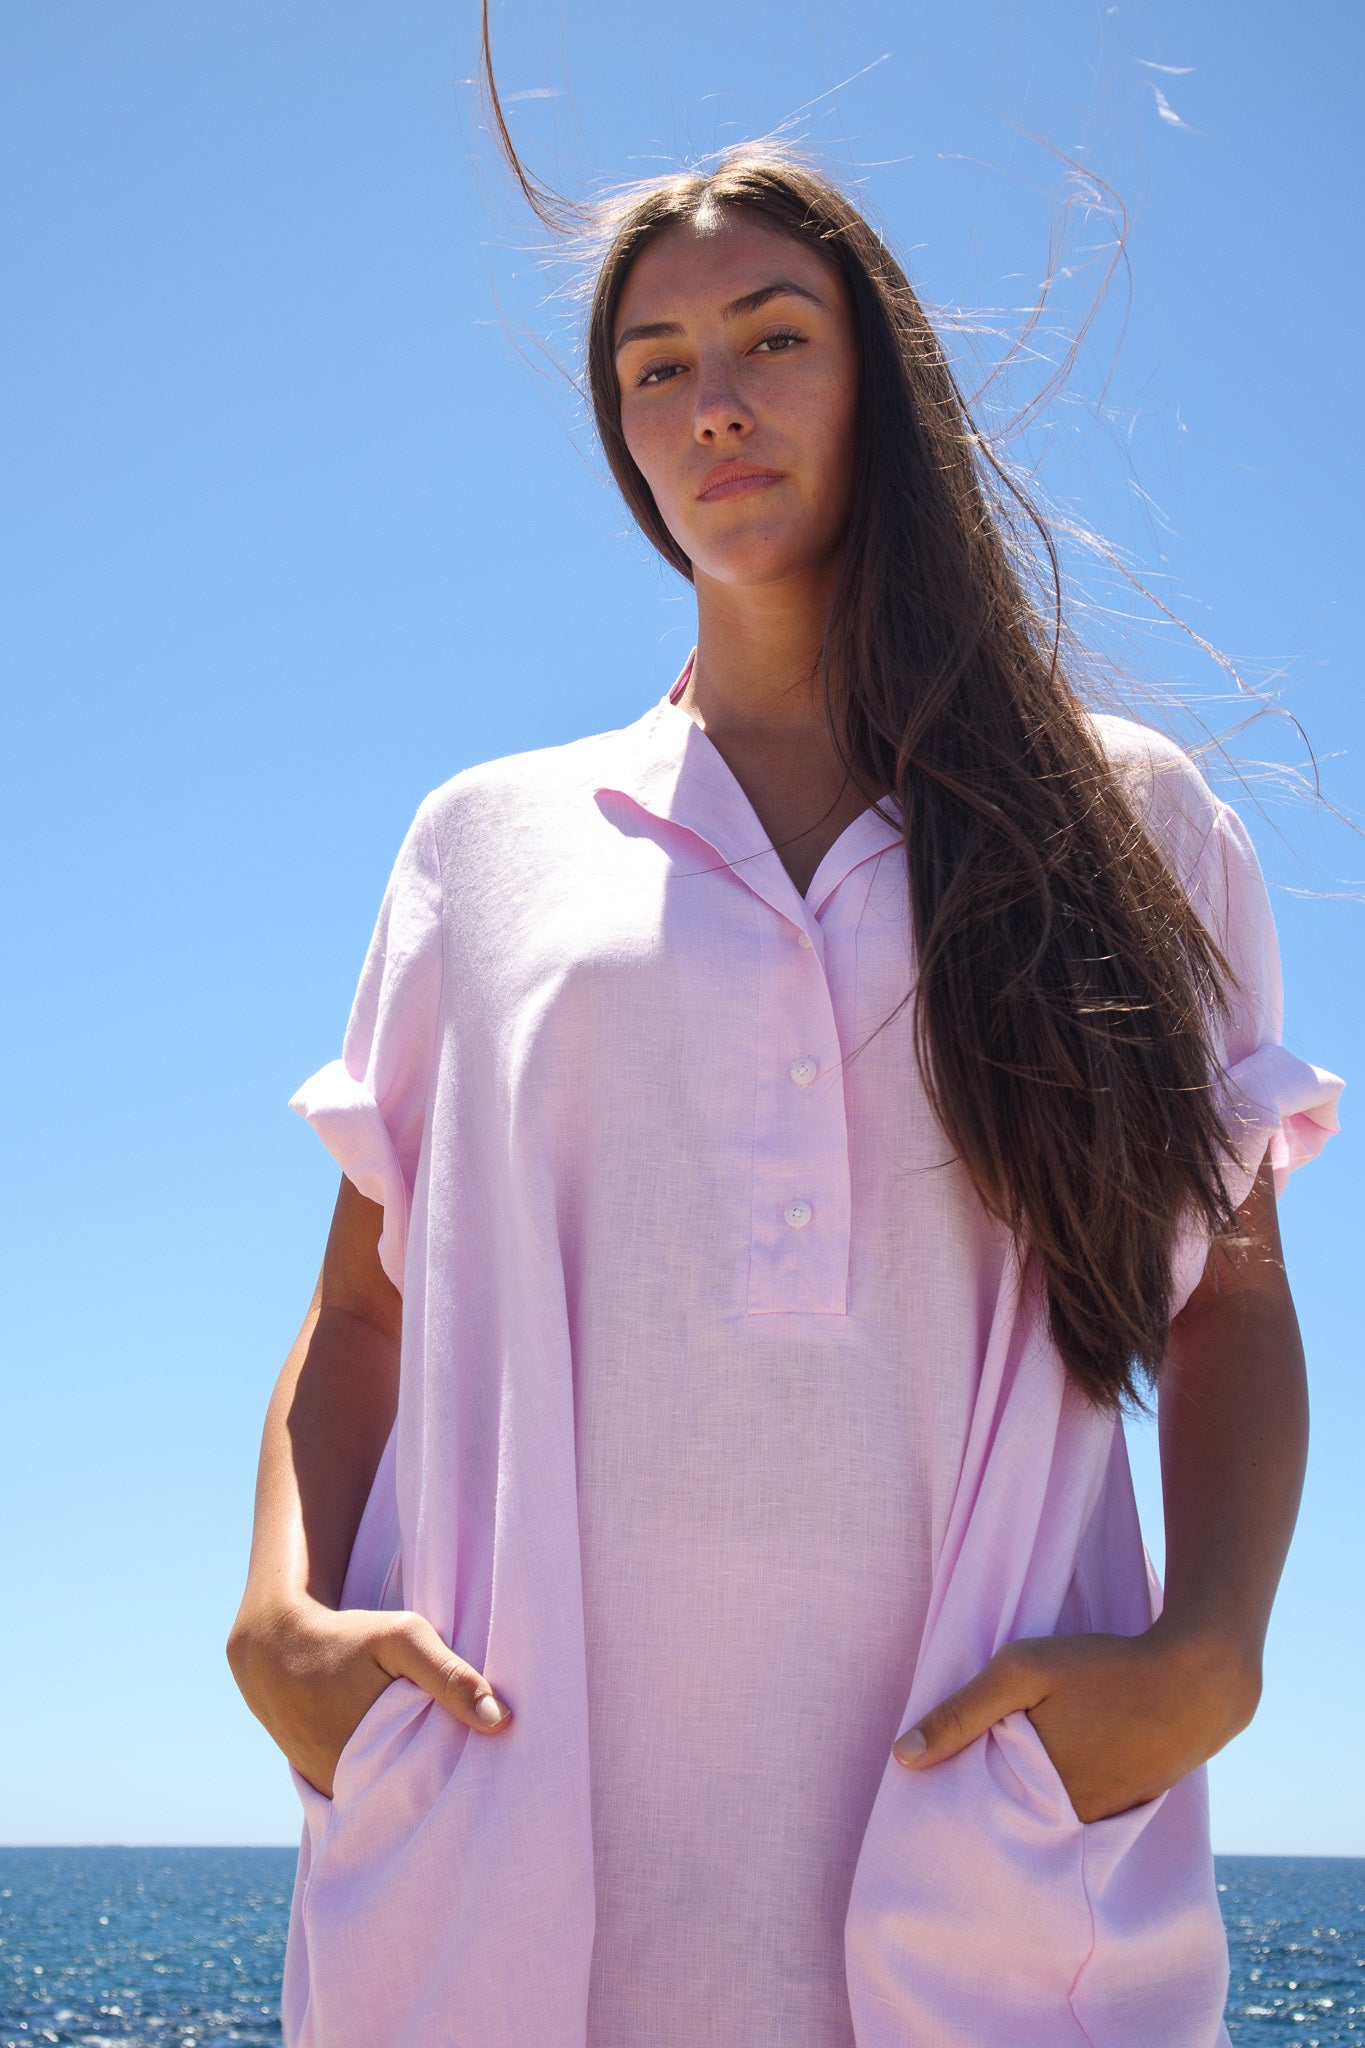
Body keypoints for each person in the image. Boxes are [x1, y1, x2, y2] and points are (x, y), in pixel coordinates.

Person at [227, 99, 1344, 2048]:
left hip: (980, 1883)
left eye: (768, 337)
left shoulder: (1119, 823)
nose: (707, 400)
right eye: (653, 367)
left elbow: (1229, 1290)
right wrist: (281, 1625)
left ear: (880, 387)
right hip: (502, 1892)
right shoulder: (476, 846)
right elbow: (354, 1305)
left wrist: (1209, 1657)